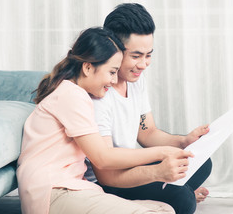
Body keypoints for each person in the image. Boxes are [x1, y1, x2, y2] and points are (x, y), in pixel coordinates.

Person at [16, 27, 194, 214]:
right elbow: (102, 158)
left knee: (165, 209)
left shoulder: (76, 94)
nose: (114, 80)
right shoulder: (70, 95)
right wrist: (162, 154)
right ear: (87, 67)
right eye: (111, 72)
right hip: (53, 191)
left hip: (73, 187)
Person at [85, 4, 213, 214]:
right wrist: (157, 171)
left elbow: (147, 132)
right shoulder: (100, 93)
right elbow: (106, 171)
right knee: (184, 199)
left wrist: (183, 142)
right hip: (107, 181)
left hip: (129, 166)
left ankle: (175, 189)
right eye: (136, 56)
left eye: (148, 55)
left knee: (200, 160)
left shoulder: (136, 79)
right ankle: (179, 191)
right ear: (113, 49)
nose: (143, 65)